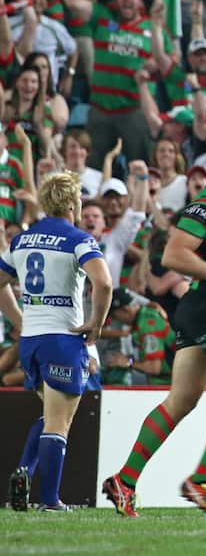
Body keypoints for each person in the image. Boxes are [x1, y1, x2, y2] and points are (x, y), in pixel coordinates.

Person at [101, 139, 206, 518]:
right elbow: (173, 255)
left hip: (202, 308)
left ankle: (124, 480)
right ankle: (202, 479)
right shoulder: (204, 206)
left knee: (180, 400)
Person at [0, 172, 112, 512]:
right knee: (60, 421)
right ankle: (50, 500)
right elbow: (104, 284)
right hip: (63, 338)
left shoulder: (21, 240)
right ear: (73, 204)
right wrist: (96, 324)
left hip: (31, 341)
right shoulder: (79, 239)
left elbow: (1, 281)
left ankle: (23, 472)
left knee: (52, 414)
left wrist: (20, 320)